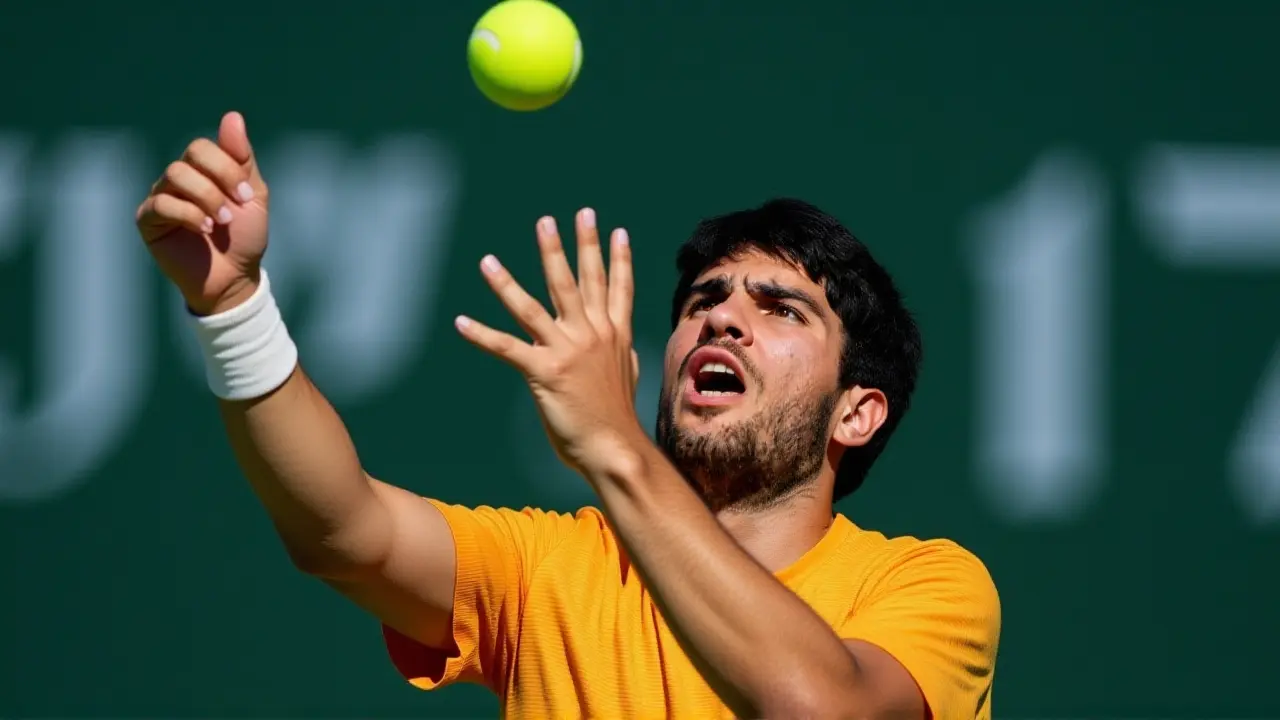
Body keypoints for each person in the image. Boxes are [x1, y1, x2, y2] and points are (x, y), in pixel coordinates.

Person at [136, 111, 1000, 720]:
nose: (723, 319)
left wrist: (614, 442)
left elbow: (820, 710)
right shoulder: (552, 566)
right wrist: (234, 308)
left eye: (781, 309)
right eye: (704, 300)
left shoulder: (928, 586)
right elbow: (338, 528)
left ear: (857, 414)